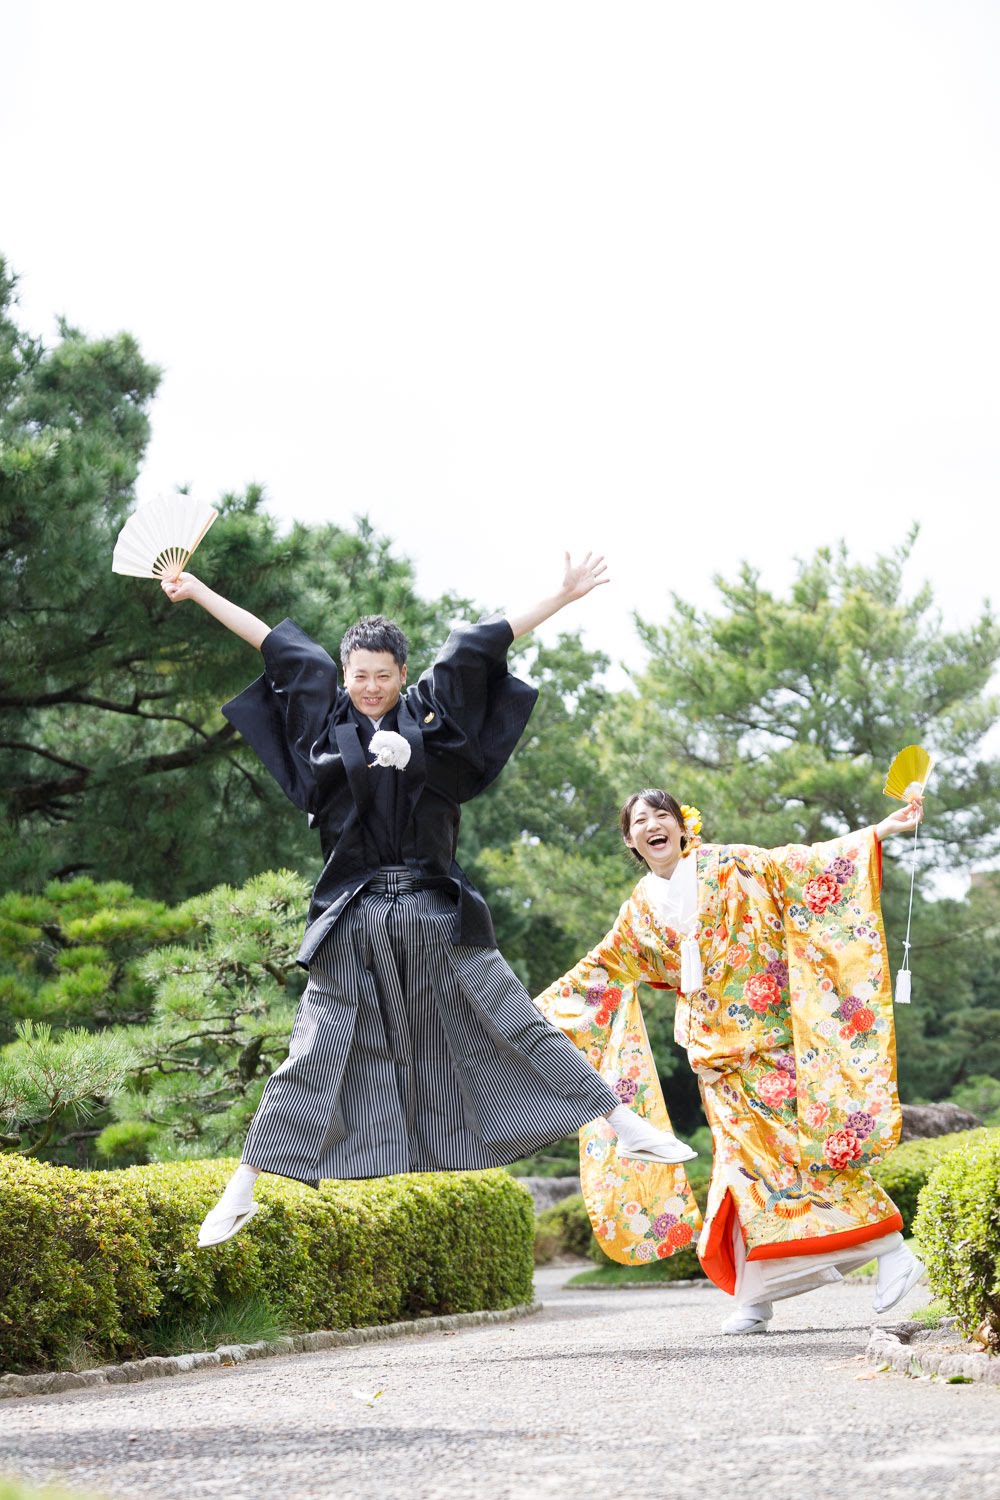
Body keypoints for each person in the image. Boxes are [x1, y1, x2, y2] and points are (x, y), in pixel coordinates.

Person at [161, 557, 695, 1246]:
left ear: (400, 674)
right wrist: (197, 587)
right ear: (344, 673)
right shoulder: (324, 715)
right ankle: (243, 1185)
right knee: (315, 1050)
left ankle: (623, 1124)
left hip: (434, 909)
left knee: (515, 1019)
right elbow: (267, 639)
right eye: (360, 676)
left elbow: (479, 645)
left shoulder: (429, 715)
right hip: (352, 917)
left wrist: (560, 596)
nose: (372, 687)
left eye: (383, 675)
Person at [534, 787, 926, 1333]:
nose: (653, 825)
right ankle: (755, 1294)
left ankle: (894, 1252)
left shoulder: (730, 863)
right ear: (631, 840)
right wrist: (529, 1018)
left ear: (681, 826)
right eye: (640, 821)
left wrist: (879, 833)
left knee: (798, 1157)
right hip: (713, 1060)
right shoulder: (639, 911)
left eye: (662, 815)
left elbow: (800, 862)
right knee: (741, 1173)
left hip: (768, 1044)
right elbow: (599, 971)